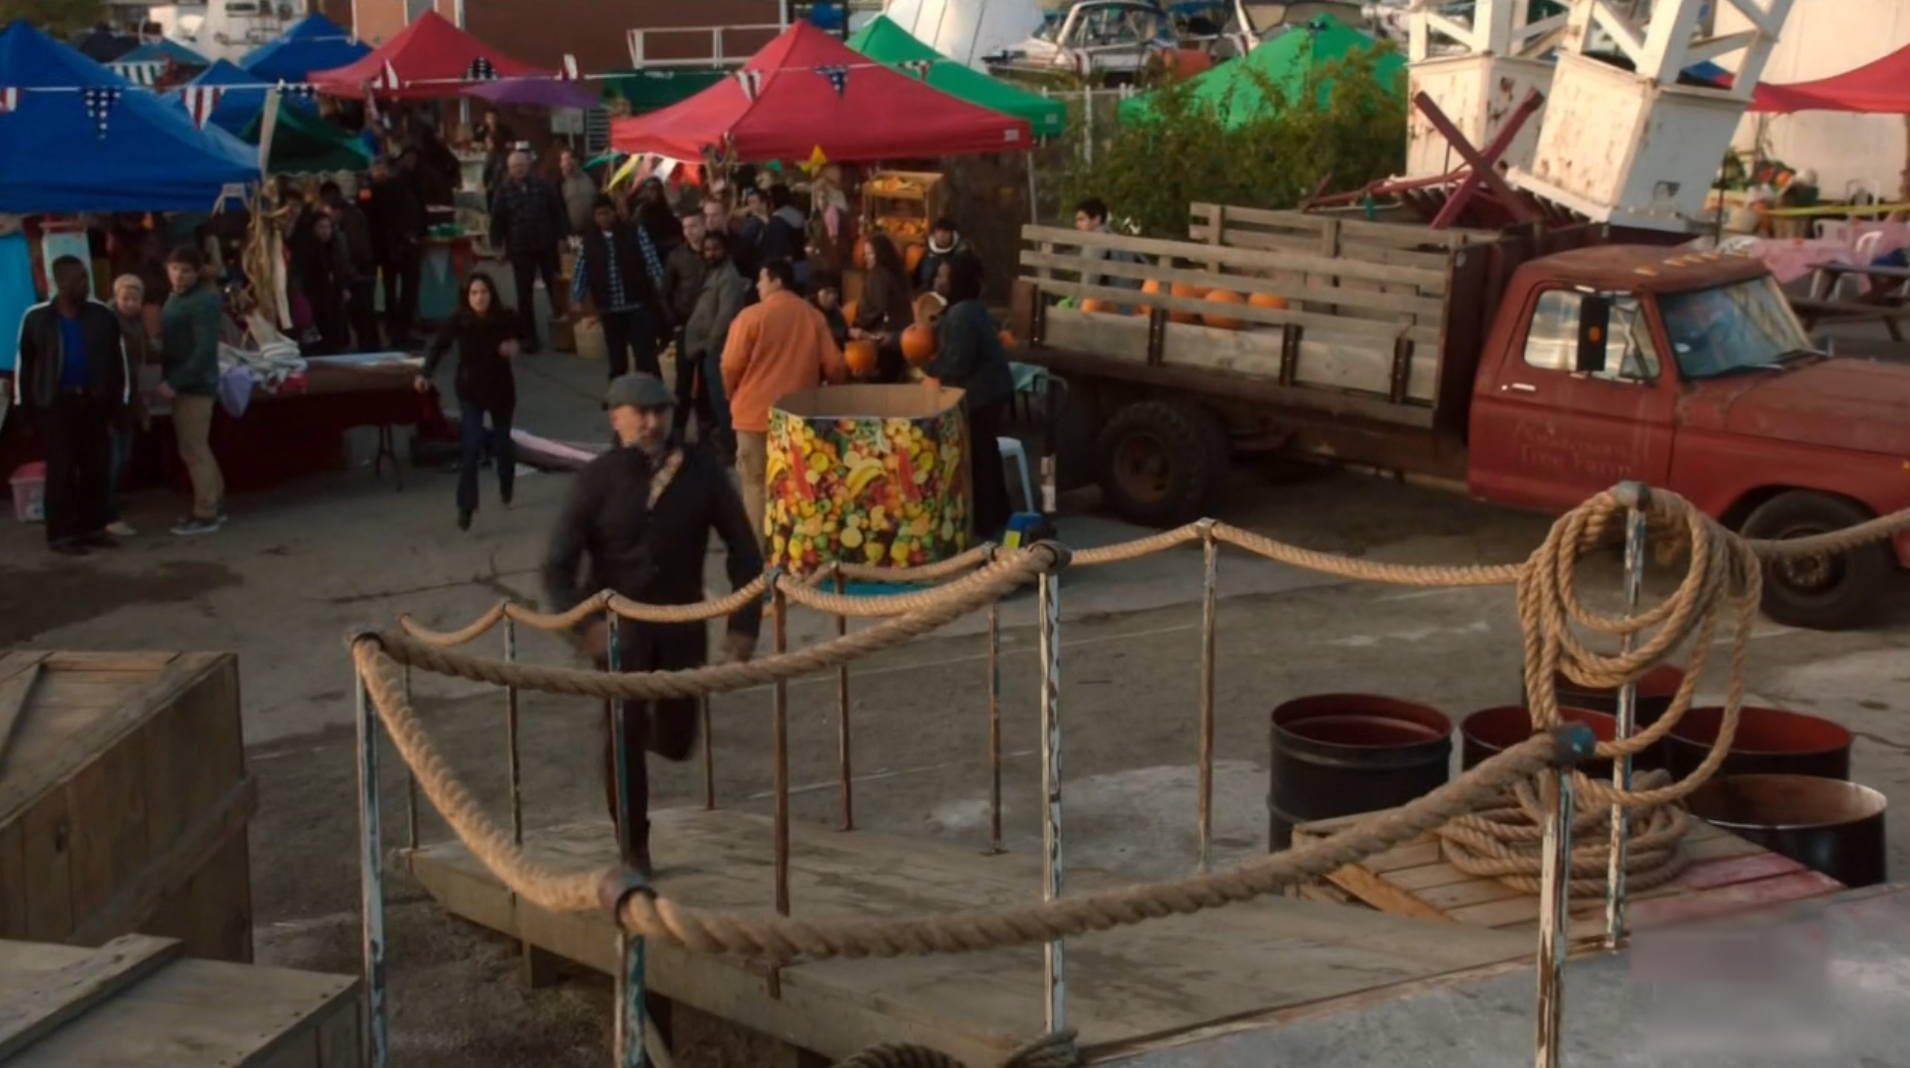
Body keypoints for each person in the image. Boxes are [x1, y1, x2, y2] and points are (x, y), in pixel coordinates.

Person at [542, 372, 764, 878]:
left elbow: (745, 553)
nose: (651, 422)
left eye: (659, 411)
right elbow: (557, 567)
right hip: (619, 631)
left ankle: (640, 735)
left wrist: (742, 627)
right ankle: (633, 847)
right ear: (615, 417)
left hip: (683, 622)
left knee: (678, 740)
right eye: (639, 413)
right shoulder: (595, 479)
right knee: (622, 735)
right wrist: (585, 627)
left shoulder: (701, 471)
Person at [720, 258, 847, 539]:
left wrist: (733, 394)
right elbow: (835, 364)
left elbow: (730, 365)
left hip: (752, 416)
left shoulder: (749, 317)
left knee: (755, 486)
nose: (757, 285)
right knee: (797, 485)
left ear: (777, 281)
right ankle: (794, 546)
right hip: (798, 418)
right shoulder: (814, 317)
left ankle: (757, 551)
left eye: (761, 279)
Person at [14, 257, 129, 556]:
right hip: (57, 406)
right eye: (78, 279)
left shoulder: (102, 316)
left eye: (86, 278)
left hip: (95, 402)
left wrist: (119, 407)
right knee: (62, 470)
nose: (85, 284)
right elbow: (25, 366)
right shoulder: (37, 318)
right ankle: (61, 534)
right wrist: (25, 410)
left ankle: (93, 528)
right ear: (60, 282)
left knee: (97, 468)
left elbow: (117, 364)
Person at [417, 273, 525, 531]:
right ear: (467, 297)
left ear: (492, 294)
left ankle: (506, 483)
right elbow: (438, 347)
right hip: (470, 389)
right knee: (471, 447)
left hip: (500, 389)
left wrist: (515, 346)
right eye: (474, 293)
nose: (479, 298)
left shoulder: (505, 317)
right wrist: (425, 373)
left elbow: (524, 336)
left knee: (503, 444)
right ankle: (466, 507)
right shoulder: (459, 321)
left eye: (484, 292)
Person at [927, 255, 1016, 540]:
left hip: (982, 394)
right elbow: (932, 333)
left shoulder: (961, 315)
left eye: (943, 276)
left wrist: (926, 366)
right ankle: (999, 515)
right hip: (992, 390)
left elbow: (957, 365)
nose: (937, 281)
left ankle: (986, 523)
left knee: (978, 456)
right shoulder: (966, 309)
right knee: (986, 452)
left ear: (957, 281)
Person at [159, 244, 227, 536]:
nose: (179, 275)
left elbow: (204, 351)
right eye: (175, 268)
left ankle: (206, 512)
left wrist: (176, 382)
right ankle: (215, 502)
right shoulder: (176, 297)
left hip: (195, 386)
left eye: (186, 270)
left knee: (193, 449)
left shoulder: (202, 302)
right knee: (198, 447)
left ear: (197, 272)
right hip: (184, 380)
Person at [569, 195, 667, 381]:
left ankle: (651, 391)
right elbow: (581, 269)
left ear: (615, 213)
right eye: (599, 214)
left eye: (606, 213)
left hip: (637, 303)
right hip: (609, 308)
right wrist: (577, 297)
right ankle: (619, 393)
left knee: (645, 355)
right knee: (616, 358)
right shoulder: (588, 241)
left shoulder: (635, 232)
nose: (603, 218)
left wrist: (660, 286)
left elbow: (651, 261)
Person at [490, 151, 569, 352]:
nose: (519, 170)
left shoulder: (542, 185)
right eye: (515, 167)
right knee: (524, 294)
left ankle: (564, 332)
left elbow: (557, 211)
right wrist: (497, 246)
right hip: (520, 248)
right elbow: (497, 220)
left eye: (522, 166)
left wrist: (562, 237)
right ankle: (529, 337)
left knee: (556, 288)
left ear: (528, 166)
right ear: (509, 169)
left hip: (546, 244)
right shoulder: (503, 190)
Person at [684, 230, 749, 462]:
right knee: (708, 400)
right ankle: (717, 442)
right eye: (707, 249)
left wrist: (711, 344)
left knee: (722, 401)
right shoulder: (709, 272)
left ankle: (731, 447)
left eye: (716, 249)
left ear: (725, 250)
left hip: (717, 349)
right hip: (703, 348)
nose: (710, 254)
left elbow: (726, 316)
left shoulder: (728, 277)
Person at [105, 275, 157, 538]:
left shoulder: (138, 323)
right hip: (112, 398)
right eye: (125, 298)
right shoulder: (106, 322)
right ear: (116, 297)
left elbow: (147, 355)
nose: (130, 303)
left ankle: (109, 501)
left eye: (136, 299)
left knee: (123, 454)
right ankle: (105, 512)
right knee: (112, 457)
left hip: (132, 397)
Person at [368, 156, 425, 345]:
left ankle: (397, 330)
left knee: (398, 290)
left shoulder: (398, 185)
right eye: (376, 169)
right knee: (397, 290)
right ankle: (397, 331)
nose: (379, 172)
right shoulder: (375, 191)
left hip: (396, 247)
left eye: (381, 168)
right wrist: (409, 236)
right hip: (393, 248)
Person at [663, 210, 710, 431]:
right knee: (683, 382)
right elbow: (665, 291)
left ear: (704, 226)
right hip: (685, 325)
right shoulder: (677, 256)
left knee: (707, 383)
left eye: (694, 226)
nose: (689, 232)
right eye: (685, 227)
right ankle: (678, 430)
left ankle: (705, 429)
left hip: (711, 327)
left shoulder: (715, 252)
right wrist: (674, 323)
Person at [321, 180, 380, 351]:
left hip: (359, 275)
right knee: (363, 318)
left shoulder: (351, 218)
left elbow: (356, 249)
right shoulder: (352, 214)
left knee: (363, 317)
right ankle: (369, 347)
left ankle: (370, 349)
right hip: (359, 273)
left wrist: (350, 272)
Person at [852, 233, 915, 382]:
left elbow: (874, 308)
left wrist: (856, 326)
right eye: (865, 254)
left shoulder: (878, 275)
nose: (866, 258)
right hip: (900, 340)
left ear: (880, 254)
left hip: (880, 341)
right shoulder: (898, 276)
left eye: (870, 254)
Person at [296, 213, 354, 355]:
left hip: (333, 297)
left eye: (328, 227)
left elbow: (341, 268)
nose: (326, 231)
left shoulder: (335, 246)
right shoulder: (307, 250)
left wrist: (343, 286)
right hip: (314, 297)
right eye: (321, 227)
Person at [1074, 197, 1145, 297]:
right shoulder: (1116, 238)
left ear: (1096, 220)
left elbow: (1090, 278)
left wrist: (1079, 304)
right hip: (1133, 299)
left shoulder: (1095, 241)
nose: (1077, 225)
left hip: (1108, 300)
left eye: (1081, 219)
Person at [916, 217, 973, 293]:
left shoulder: (962, 257)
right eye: (938, 231)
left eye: (946, 232)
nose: (941, 235)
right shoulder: (927, 255)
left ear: (953, 234)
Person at [557, 149, 598, 236]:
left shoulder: (590, 177)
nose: (568, 162)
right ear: (560, 164)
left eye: (570, 158)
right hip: (573, 233)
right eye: (565, 159)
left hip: (594, 230)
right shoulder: (559, 185)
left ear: (576, 160)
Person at [810, 270, 849, 348]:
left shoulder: (835, 311)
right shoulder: (808, 311)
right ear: (815, 293)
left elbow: (843, 330)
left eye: (835, 292)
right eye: (827, 292)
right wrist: (847, 333)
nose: (832, 297)